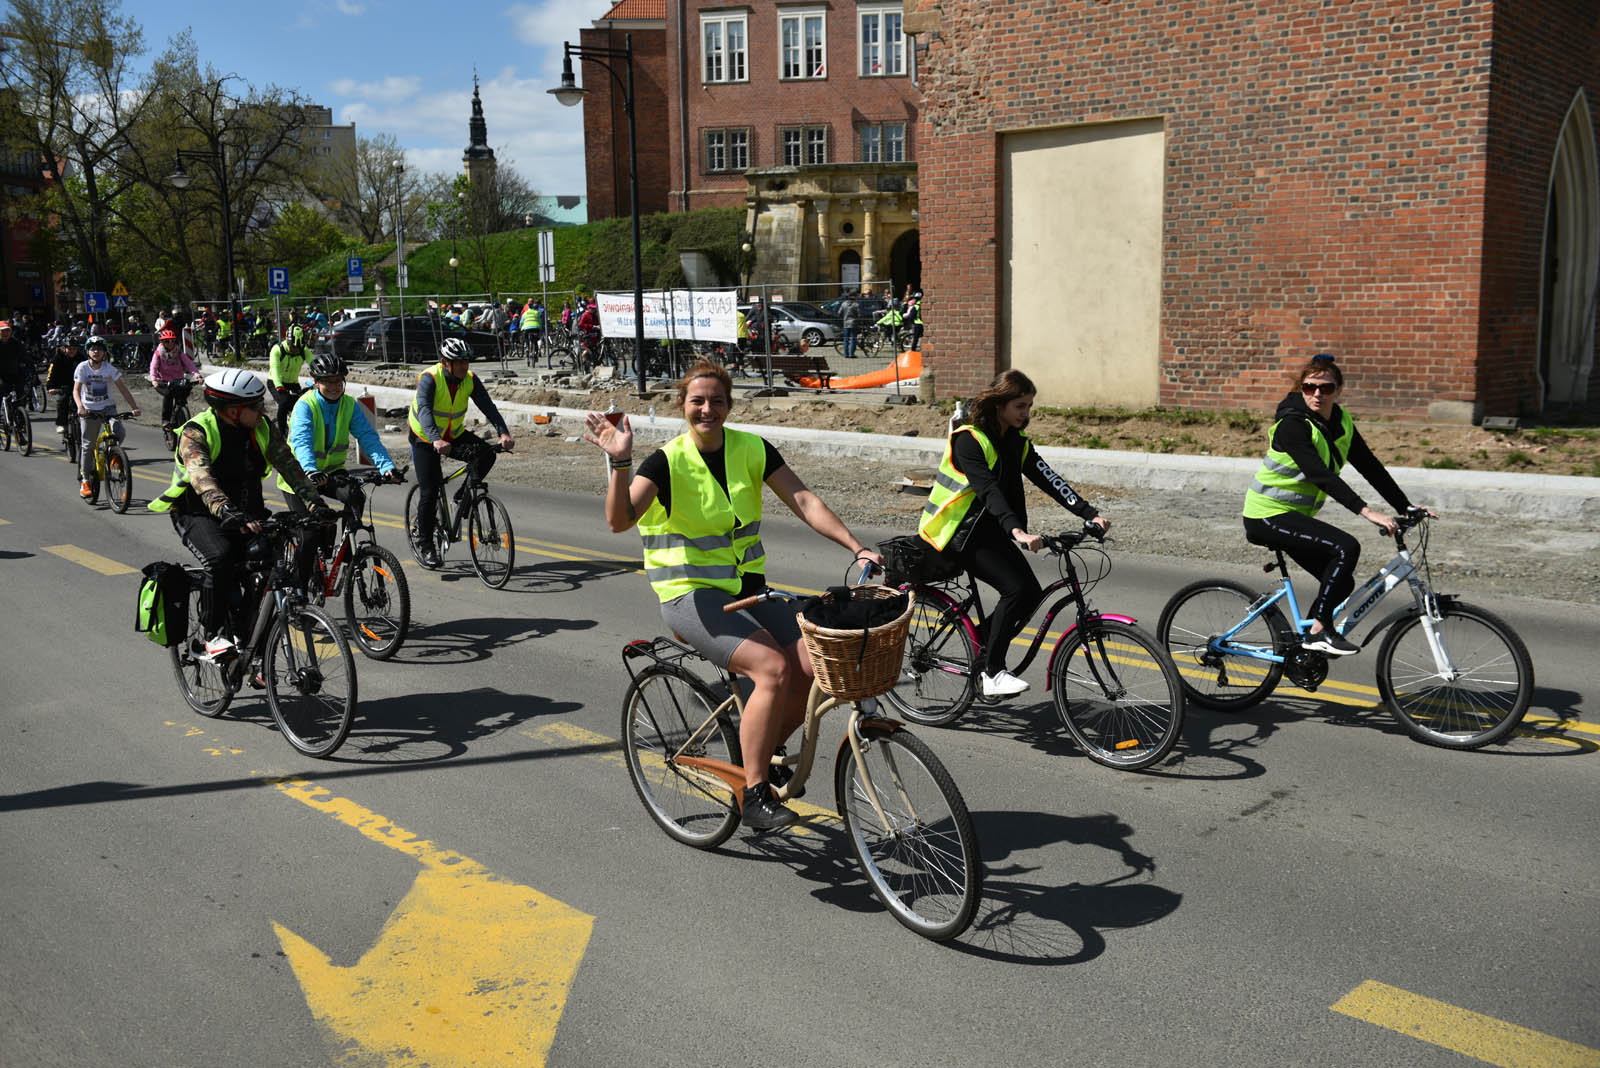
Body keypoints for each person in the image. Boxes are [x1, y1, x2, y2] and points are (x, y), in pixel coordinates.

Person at [583, 360, 884, 832]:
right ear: (683, 406)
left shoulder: (752, 449)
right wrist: (620, 460)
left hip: (749, 591)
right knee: (773, 669)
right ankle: (755, 792)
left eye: (717, 401)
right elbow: (619, 520)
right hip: (690, 596)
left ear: (728, 405)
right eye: (697, 401)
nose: (707, 409)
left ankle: (757, 755)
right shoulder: (666, 460)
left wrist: (856, 545)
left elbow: (803, 500)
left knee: (813, 663)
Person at [918, 369, 1109, 698]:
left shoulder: (1015, 442)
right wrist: (1017, 530)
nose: (1027, 413)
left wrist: (1089, 513)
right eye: (1020, 406)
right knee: (1016, 590)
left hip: (989, 531)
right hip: (956, 533)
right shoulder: (969, 439)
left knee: (1030, 593)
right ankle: (992, 673)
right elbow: (988, 490)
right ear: (999, 404)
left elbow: (1050, 479)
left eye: (1030, 406)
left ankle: (978, 644)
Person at [1241, 353, 1432, 656]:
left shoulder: (1341, 422)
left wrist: (1404, 506)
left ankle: (1306, 646)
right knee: (1346, 547)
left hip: (1294, 516)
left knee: (1340, 582)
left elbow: (1370, 466)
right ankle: (1318, 633)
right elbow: (1321, 476)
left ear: (1338, 390)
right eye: (1309, 387)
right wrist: (1367, 512)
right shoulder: (1293, 425)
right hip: (1267, 515)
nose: (1317, 394)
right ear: (1301, 388)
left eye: (1326, 388)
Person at [150, 368, 331, 660]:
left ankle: (250, 643)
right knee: (220, 559)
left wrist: (315, 503)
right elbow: (201, 479)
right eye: (256, 405)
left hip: (248, 512)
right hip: (198, 514)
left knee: (266, 566)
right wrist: (224, 509)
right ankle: (212, 636)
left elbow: (289, 466)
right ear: (233, 410)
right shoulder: (196, 432)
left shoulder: (262, 427)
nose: (264, 409)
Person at [280, 354, 400, 562]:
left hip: (331, 471)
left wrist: (387, 467)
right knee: (310, 534)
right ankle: (299, 590)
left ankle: (347, 554)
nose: (334, 386)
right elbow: (302, 442)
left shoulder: (349, 405)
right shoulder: (305, 405)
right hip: (300, 476)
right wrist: (310, 470)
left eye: (338, 381)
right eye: (327, 381)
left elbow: (367, 436)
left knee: (356, 495)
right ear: (316, 383)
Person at [407, 336, 514, 568]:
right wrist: (435, 439)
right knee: (430, 491)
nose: (464, 367)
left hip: (453, 434)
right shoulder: (430, 379)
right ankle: (426, 545)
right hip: (425, 438)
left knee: (487, 454)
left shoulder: (470, 379)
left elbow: (488, 407)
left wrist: (503, 433)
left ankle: (462, 498)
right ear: (446, 362)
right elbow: (424, 410)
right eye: (459, 363)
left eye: (466, 362)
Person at [72, 336, 141, 500]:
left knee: (119, 432)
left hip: (108, 407)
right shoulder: (82, 368)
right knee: (88, 445)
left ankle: (112, 455)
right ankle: (85, 481)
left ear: (104, 352)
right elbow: (76, 390)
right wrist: (80, 407)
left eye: (99, 349)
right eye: (93, 349)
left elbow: (123, 389)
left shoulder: (109, 368)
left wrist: (134, 407)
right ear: (87, 352)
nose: (96, 352)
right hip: (89, 410)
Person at [149, 327, 202, 435]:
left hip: (179, 380)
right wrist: (154, 379)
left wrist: (197, 375)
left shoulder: (179, 352)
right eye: (167, 341)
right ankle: (166, 421)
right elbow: (153, 367)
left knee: (183, 397)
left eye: (173, 340)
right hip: (165, 381)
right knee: (168, 395)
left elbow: (189, 363)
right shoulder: (158, 353)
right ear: (162, 342)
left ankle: (182, 416)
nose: (170, 343)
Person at [268, 323, 311, 434]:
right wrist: (279, 385)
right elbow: (275, 369)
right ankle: (281, 432)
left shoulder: (303, 350)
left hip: (293, 383)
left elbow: (314, 364)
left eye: (298, 348)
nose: (295, 350)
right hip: (275, 381)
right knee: (284, 401)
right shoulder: (277, 350)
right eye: (293, 347)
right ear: (287, 341)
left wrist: (320, 379)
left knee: (302, 403)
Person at [45, 335, 79, 435]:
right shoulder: (57, 358)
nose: (72, 351)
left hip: (78, 385)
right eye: (69, 348)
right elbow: (50, 374)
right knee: (62, 401)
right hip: (61, 386)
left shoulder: (81, 357)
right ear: (64, 348)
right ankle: (61, 423)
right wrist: (50, 387)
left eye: (74, 349)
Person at [838, 292, 860, 358]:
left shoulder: (843, 304)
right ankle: (851, 354)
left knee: (846, 339)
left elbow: (839, 313)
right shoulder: (856, 304)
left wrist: (844, 317)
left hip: (845, 323)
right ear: (853, 297)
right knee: (853, 339)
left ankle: (846, 354)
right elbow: (859, 314)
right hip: (853, 323)